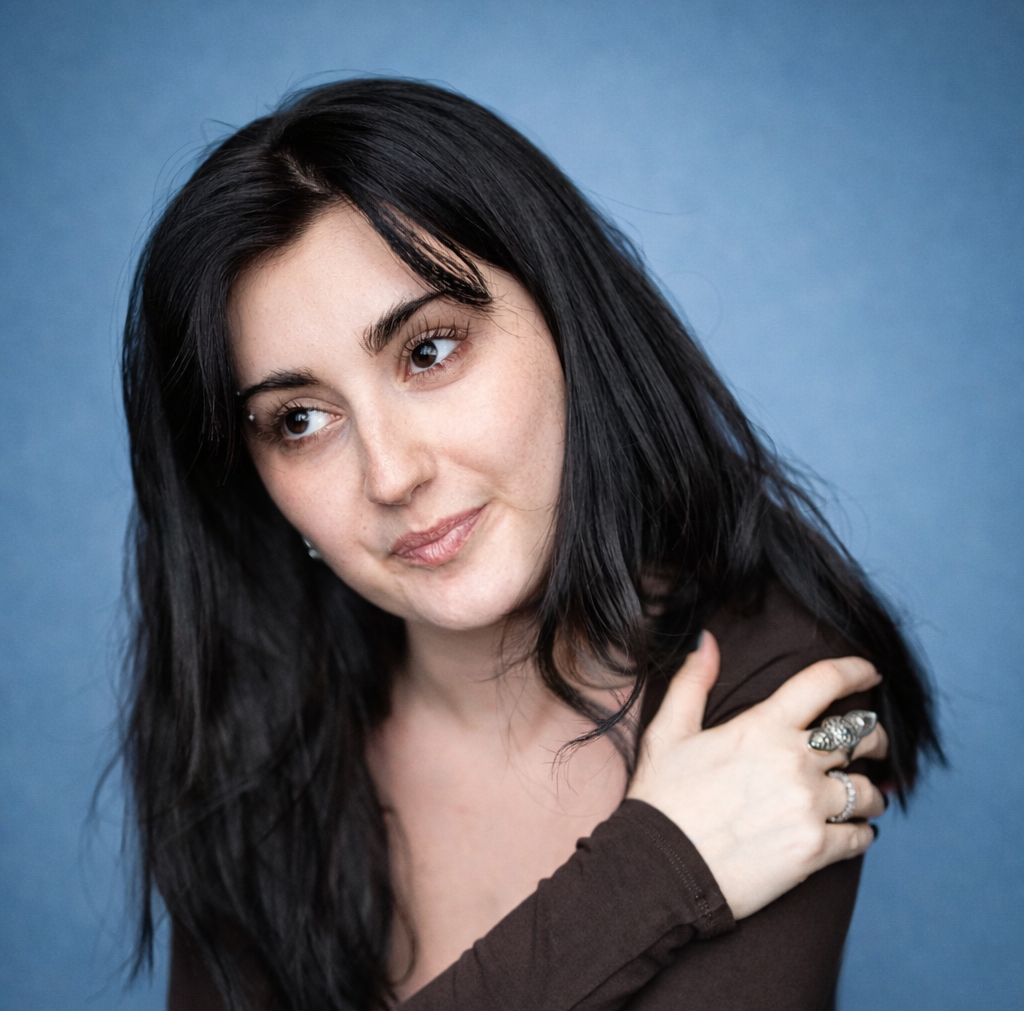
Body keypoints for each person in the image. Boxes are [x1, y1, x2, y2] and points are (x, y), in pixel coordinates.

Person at [119, 79, 939, 1010]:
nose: (391, 473)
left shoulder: (777, 697)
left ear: (566, 321)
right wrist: (652, 875)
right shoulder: (255, 733)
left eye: (429, 351)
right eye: (299, 419)